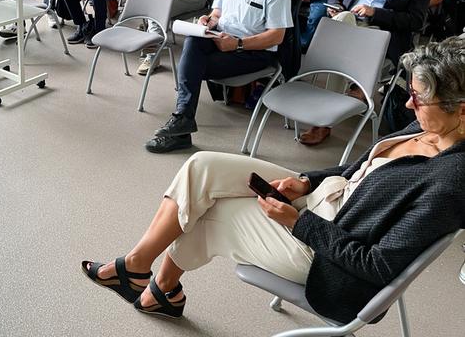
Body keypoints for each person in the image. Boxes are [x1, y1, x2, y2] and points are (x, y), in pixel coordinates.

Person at [83, 37, 465, 323]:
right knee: (202, 168)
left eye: (418, 97)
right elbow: (359, 169)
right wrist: (306, 180)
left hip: (328, 257)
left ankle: (155, 285)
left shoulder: (450, 181)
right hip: (330, 202)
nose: (408, 104)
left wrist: (299, 223)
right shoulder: (430, 125)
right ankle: (140, 270)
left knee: (213, 212)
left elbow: (378, 266)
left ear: (461, 110)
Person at [144, 0, 292, 153]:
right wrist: (209, 20)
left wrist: (239, 44)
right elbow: (217, 13)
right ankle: (182, 120)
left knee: (192, 67)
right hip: (221, 37)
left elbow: (277, 36)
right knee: (193, 42)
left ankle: (182, 126)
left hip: (253, 50)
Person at [300, 0, 432, 146]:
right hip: (348, 24)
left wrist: (376, 13)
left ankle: (323, 119)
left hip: (382, 34)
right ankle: (349, 95)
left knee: (339, 41)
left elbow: (415, 21)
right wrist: (335, 5)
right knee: (343, 22)